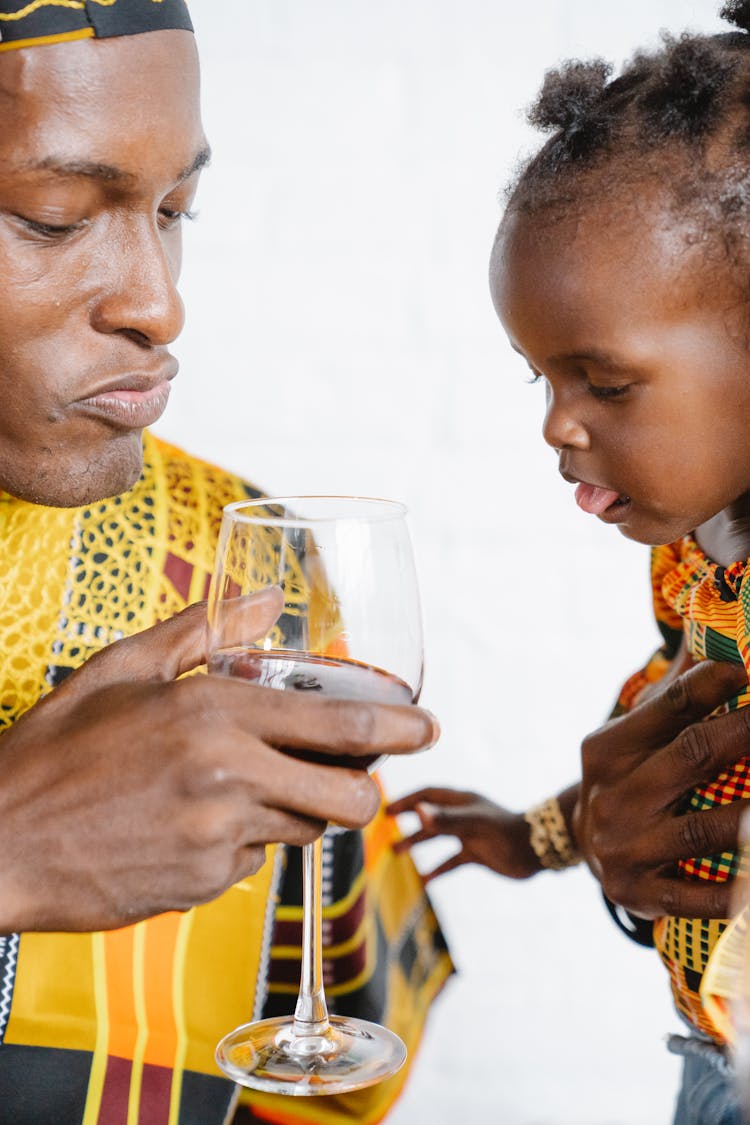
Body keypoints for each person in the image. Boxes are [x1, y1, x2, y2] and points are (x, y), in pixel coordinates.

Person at [0, 3, 455, 1123]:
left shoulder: (227, 547)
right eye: (52, 219)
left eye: (174, 209)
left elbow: (329, 1042)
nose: (159, 302)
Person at [390, 2, 750, 1120]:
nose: (556, 424)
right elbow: (671, 752)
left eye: (607, 381)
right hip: (709, 1054)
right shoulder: (697, 564)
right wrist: (539, 836)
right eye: (540, 378)